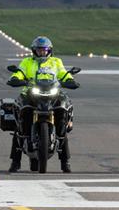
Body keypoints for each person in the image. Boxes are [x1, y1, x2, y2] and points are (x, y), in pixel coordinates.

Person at [7, 36, 78, 173]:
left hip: (53, 93)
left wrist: (70, 80)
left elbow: (64, 74)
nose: (42, 53)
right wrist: (16, 78)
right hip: (31, 93)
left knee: (63, 109)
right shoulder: (27, 61)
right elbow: (20, 72)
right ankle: (15, 162)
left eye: (44, 50)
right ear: (34, 51)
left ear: (49, 50)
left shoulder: (56, 62)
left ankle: (65, 162)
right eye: (39, 50)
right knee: (20, 122)